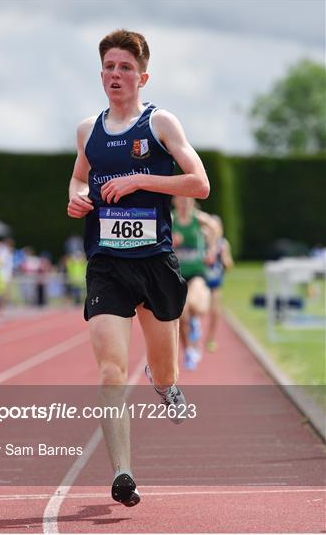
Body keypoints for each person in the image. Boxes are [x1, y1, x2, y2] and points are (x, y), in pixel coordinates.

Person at [67, 29, 210, 507]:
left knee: (165, 369)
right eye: (108, 66)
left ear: (142, 76)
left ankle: (165, 382)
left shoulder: (160, 123)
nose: (115, 74)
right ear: (101, 73)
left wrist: (137, 180)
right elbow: (78, 176)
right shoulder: (88, 129)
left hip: (154, 262)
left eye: (125, 67)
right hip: (107, 263)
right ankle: (123, 473)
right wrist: (76, 198)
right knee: (110, 370)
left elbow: (199, 184)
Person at [172, 197, 216, 369]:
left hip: (197, 271)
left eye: (187, 199)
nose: (184, 202)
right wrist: (170, 240)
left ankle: (195, 321)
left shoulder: (199, 219)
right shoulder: (171, 219)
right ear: (175, 201)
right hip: (177, 273)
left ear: (192, 201)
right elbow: (158, 236)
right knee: (180, 315)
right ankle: (189, 350)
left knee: (194, 305)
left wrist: (211, 249)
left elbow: (214, 227)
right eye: (180, 199)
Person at [205, 215, 233, 352]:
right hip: (202, 280)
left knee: (215, 311)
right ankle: (195, 331)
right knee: (198, 309)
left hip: (216, 282)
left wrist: (223, 259)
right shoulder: (202, 241)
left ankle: (210, 338)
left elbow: (229, 265)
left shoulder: (223, 244)